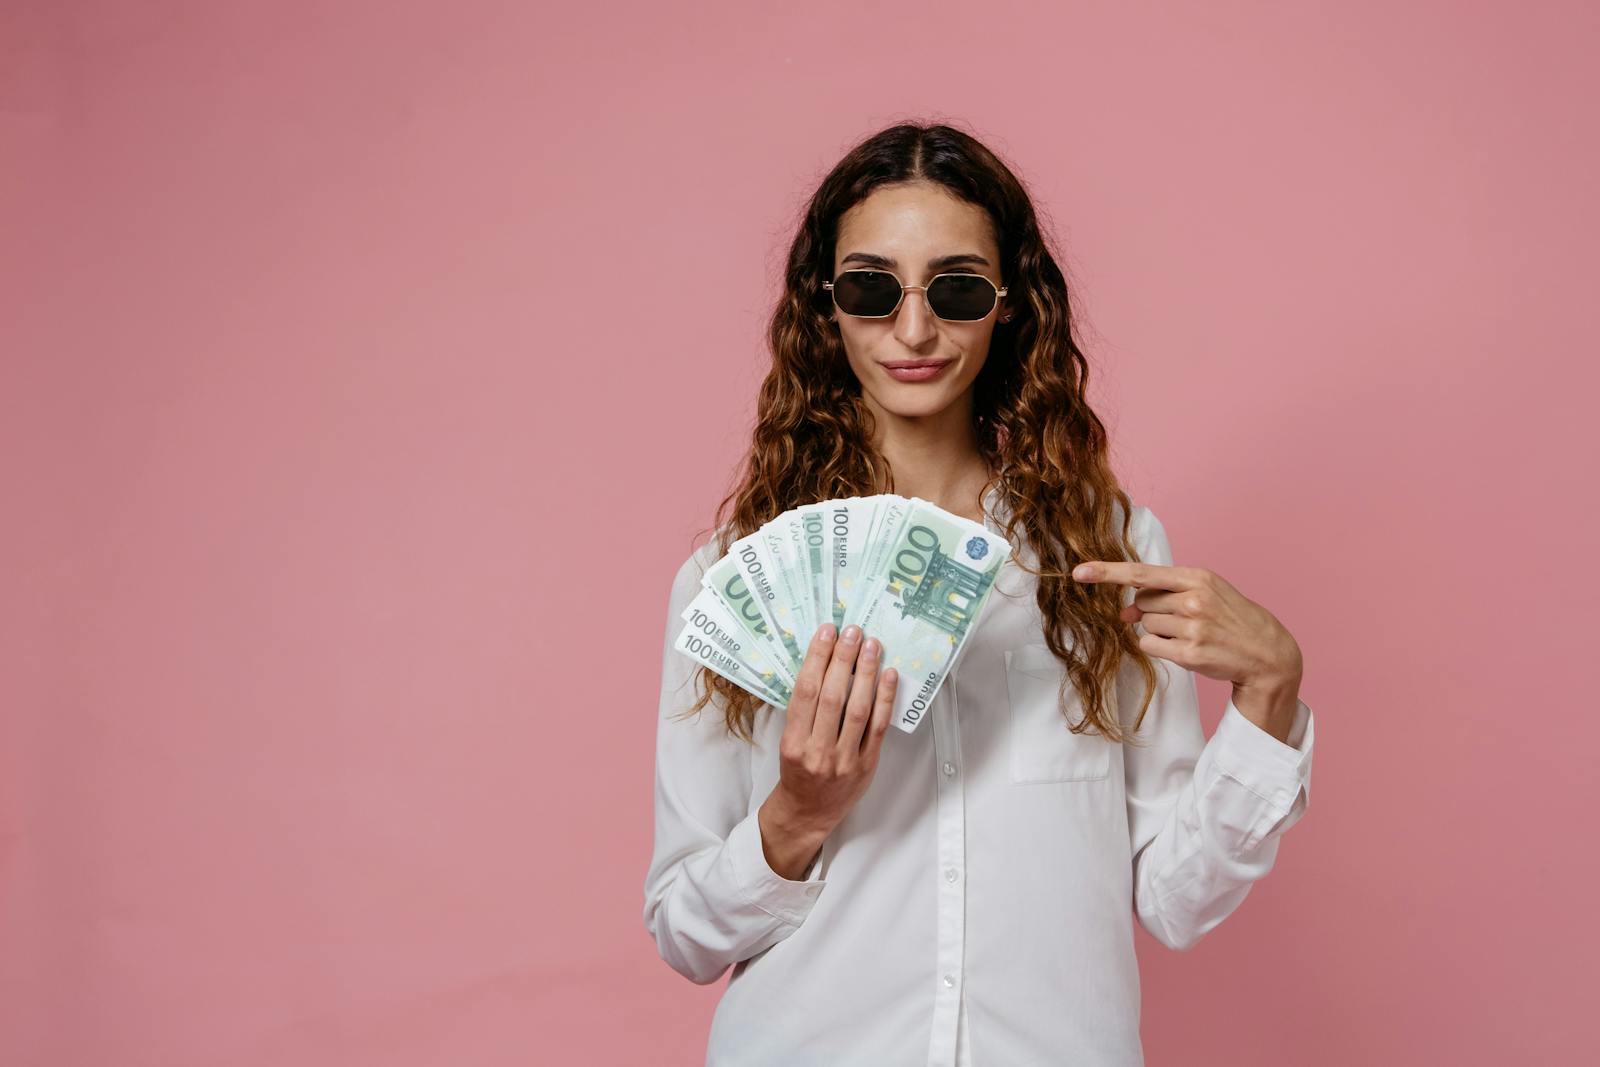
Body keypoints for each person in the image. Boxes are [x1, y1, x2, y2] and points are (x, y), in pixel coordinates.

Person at [641, 121, 1315, 1067]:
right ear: (825, 306)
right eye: (873, 288)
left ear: (1008, 306)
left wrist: (1270, 695)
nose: (913, 330)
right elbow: (685, 932)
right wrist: (796, 813)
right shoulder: (731, 577)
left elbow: (1174, 897)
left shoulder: (1110, 554)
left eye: (955, 288)